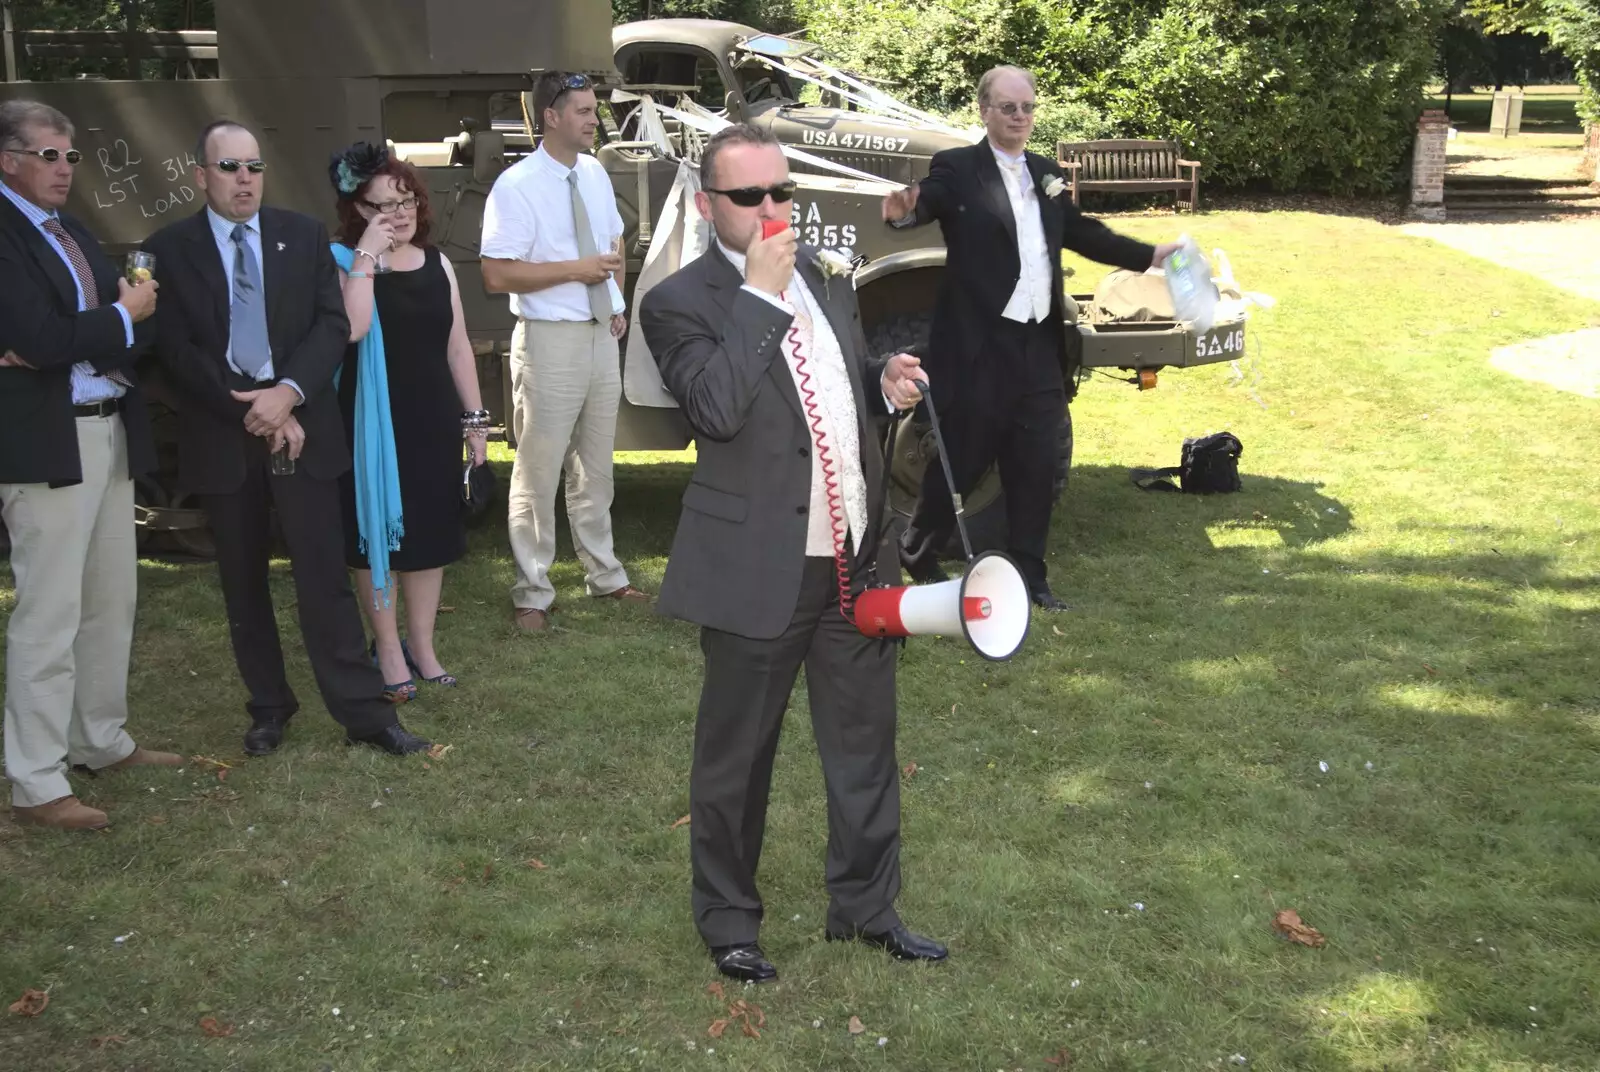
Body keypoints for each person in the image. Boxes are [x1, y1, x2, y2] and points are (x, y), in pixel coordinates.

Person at [639, 123, 946, 984]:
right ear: (709, 207)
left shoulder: (820, 277)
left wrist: (880, 388)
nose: (773, 209)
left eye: (784, 193)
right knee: (736, 760)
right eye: (751, 197)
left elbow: (834, 390)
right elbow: (716, 409)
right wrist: (761, 299)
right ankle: (730, 922)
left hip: (855, 558)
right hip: (757, 568)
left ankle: (867, 907)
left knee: (864, 748)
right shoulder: (680, 302)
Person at [144, 119, 431, 757]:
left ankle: (365, 714)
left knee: (324, 577)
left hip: (303, 428)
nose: (244, 179)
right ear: (201, 176)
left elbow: (332, 326)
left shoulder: (300, 237)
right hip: (227, 434)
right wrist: (251, 408)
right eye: (229, 168)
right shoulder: (168, 248)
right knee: (242, 582)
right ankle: (269, 708)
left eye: (253, 167)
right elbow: (174, 351)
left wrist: (290, 394)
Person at [882, 66, 1181, 610]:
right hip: (979, 347)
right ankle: (916, 548)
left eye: (1027, 108)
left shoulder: (1045, 173)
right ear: (984, 111)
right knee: (966, 458)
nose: (1020, 118)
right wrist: (907, 209)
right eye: (1008, 108)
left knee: (1036, 462)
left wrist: (1147, 255)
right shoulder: (957, 168)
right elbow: (930, 200)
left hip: (1037, 345)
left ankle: (1030, 576)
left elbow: (1083, 232)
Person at [0, 100, 180, 831]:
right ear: (8, 158)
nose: (64, 169)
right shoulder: (6, 233)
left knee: (111, 598)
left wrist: (100, 328)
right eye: (49, 155)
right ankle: (37, 783)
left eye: (70, 157)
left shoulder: (70, 230)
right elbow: (42, 335)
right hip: (46, 441)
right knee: (49, 612)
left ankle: (98, 740)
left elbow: (126, 333)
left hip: (108, 429)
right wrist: (112, 321)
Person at [479, 70, 649, 633]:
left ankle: (606, 576)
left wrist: (615, 299)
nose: (593, 119)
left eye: (592, 109)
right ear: (550, 116)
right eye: (581, 110)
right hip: (549, 340)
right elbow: (496, 274)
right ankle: (533, 589)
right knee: (538, 470)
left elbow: (612, 244)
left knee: (597, 468)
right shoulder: (517, 185)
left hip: (601, 334)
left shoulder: (595, 173)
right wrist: (577, 272)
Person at [326, 142, 489, 701]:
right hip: (371, 421)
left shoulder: (439, 263)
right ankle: (388, 649)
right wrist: (369, 257)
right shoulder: (342, 263)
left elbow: (458, 347)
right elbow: (353, 329)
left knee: (429, 535)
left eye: (406, 201)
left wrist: (474, 419)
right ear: (357, 212)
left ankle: (422, 646)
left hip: (431, 416)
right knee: (378, 536)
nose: (398, 213)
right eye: (380, 206)